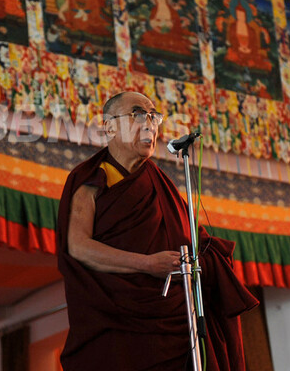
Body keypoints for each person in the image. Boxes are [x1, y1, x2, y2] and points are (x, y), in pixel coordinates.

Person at [57, 91, 258, 370]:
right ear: (110, 127)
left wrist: (205, 262)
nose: (150, 124)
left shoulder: (159, 183)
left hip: (177, 324)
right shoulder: (90, 178)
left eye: (154, 117)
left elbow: (196, 243)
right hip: (118, 325)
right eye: (138, 115)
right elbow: (78, 247)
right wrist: (148, 264)